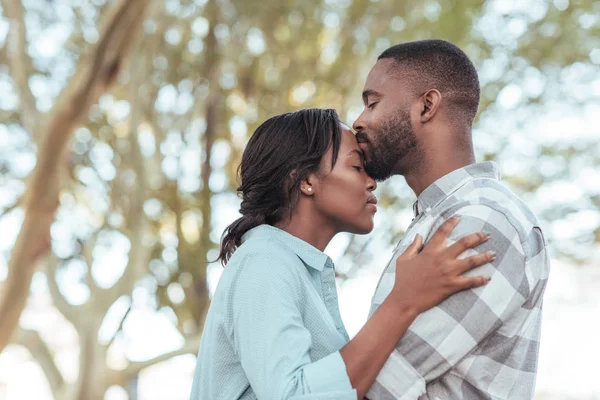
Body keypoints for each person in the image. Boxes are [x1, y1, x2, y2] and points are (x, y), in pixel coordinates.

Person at [189, 108, 495, 400]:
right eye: (357, 167)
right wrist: (404, 300)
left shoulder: (296, 270)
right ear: (307, 181)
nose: (372, 181)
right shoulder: (264, 262)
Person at [353, 39, 551, 399]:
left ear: (427, 105)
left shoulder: (482, 219)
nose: (359, 120)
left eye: (373, 103)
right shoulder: (442, 217)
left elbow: (376, 387)